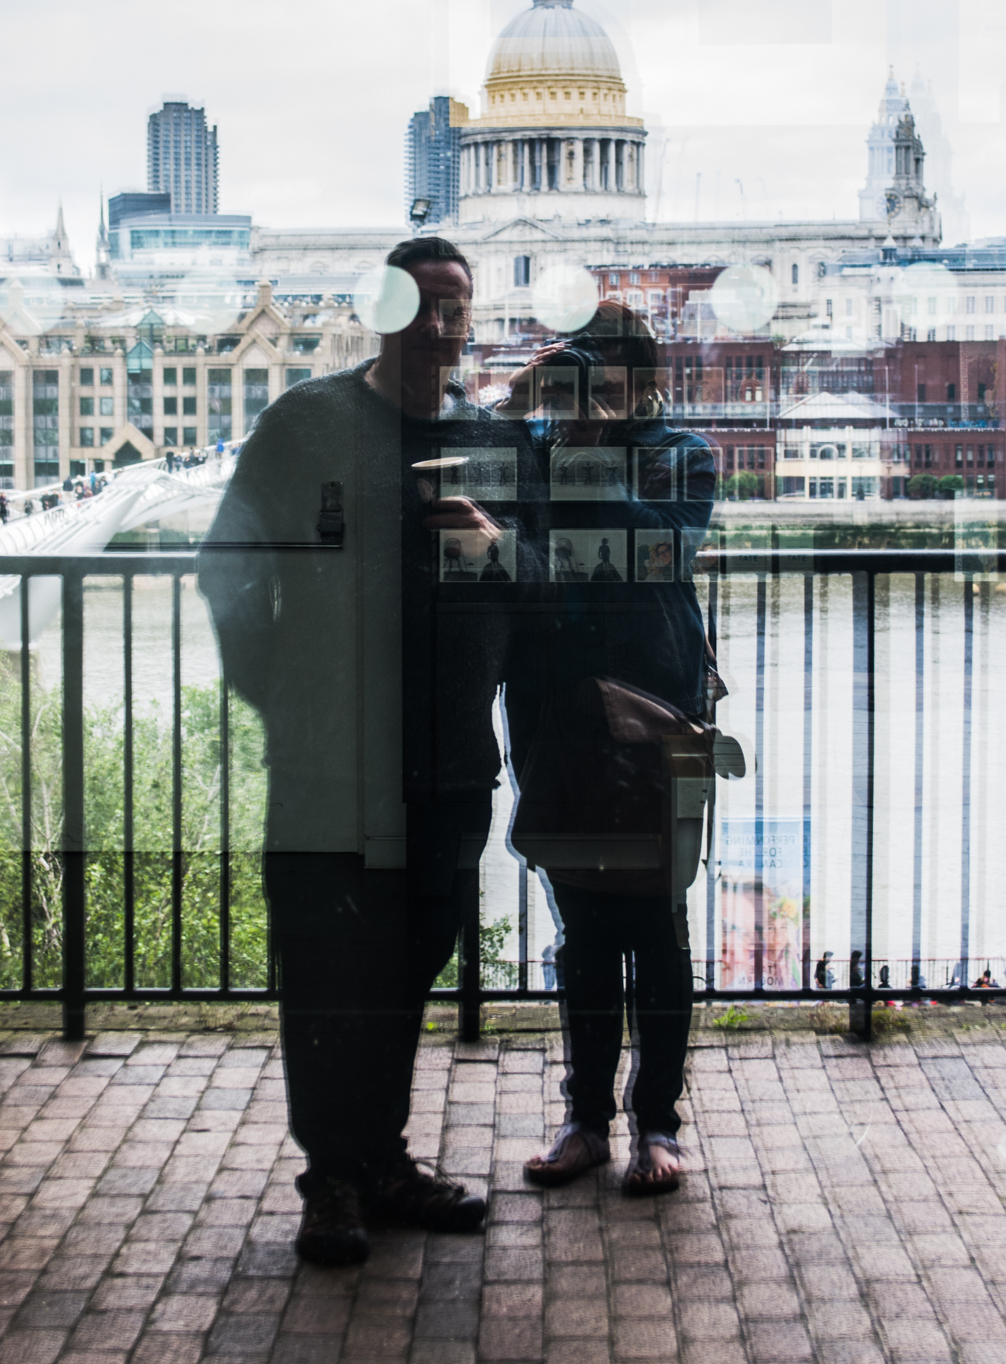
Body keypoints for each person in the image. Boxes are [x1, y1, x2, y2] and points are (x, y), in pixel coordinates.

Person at [199, 237, 536, 1267]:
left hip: (447, 765)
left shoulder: (494, 445)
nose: (446, 325)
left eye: (459, 307)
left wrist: (494, 550)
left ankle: (376, 1160)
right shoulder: (309, 423)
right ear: (388, 311)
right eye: (428, 305)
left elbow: (542, 592)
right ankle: (333, 1178)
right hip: (327, 764)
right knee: (326, 968)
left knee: (403, 968)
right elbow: (228, 568)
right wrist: (283, 699)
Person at [502, 302, 717, 1196]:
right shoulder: (537, 451)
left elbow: (665, 551)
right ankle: (584, 1118)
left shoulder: (683, 455)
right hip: (556, 709)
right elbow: (508, 549)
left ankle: (656, 1124)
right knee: (581, 929)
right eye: (586, 378)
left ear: (646, 380)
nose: (603, 396)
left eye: (618, 380)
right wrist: (518, 409)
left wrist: (582, 451)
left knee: (659, 926)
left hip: (659, 705)